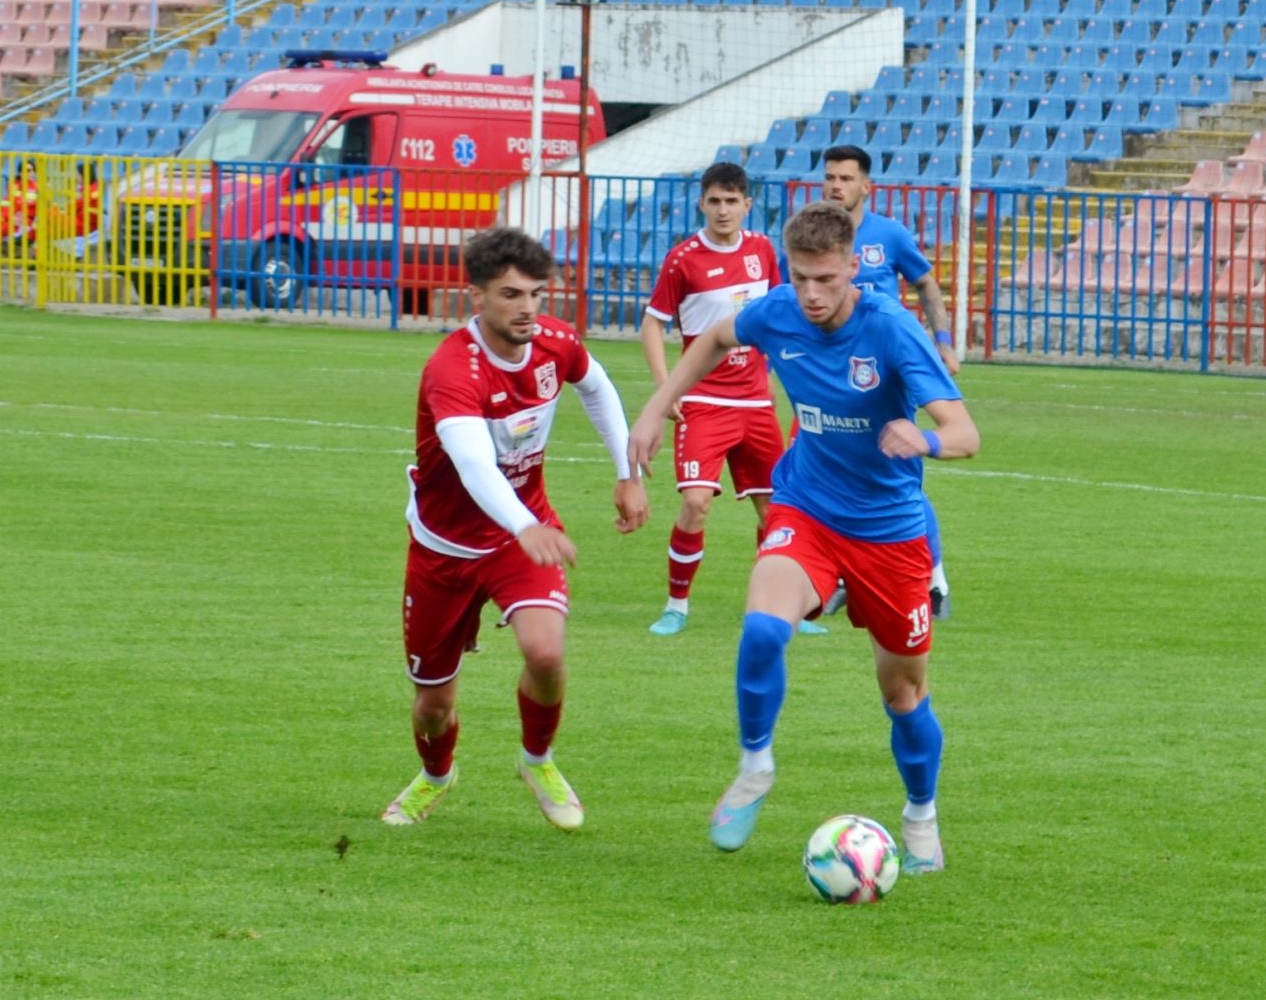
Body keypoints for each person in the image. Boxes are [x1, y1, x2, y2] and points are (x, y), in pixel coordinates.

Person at [629, 201, 980, 872]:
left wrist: (925, 438)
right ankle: (755, 766)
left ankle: (920, 815)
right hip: (806, 510)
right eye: (800, 278)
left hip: (889, 533)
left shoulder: (891, 331)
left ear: (854, 267)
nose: (812, 294)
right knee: (762, 628)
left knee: (903, 695)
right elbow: (714, 337)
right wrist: (655, 404)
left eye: (826, 279)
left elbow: (966, 432)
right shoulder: (779, 310)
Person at [385, 225, 649, 831]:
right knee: (433, 704)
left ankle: (538, 761)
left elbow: (599, 389)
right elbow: (472, 461)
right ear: (476, 296)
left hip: (520, 539)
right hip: (444, 549)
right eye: (510, 294)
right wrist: (523, 522)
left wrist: (626, 472)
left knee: (546, 651)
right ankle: (435, 775)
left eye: (536, 293)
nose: (528, 307)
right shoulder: (452, 368)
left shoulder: (555, 342)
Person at [637, 162, 815, 637]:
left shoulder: (760, 250)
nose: (723, 210)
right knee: (696, 503)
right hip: (703, 401)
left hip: (756, 403)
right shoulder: (683, 259)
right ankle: (676, 605)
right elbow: (653, 323)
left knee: (776, 509)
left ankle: (778, 607)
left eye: (732, 201)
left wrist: (787, 376)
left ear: (747, 205)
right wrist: (665, 388)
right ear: (702, 203)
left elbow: (781, 315)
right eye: (714, 201)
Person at [821, 144, 955, 616]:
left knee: (896, 479)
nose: (836, 185)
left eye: (845, 178)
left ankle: (934, 581)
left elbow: (926, 284)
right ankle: (841, 574)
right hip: (828, 376)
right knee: (826, 474)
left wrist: (942, 340)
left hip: (883, 374)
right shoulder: (816, 238)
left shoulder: (890, 236)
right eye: (830, 177)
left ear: (865, 186)